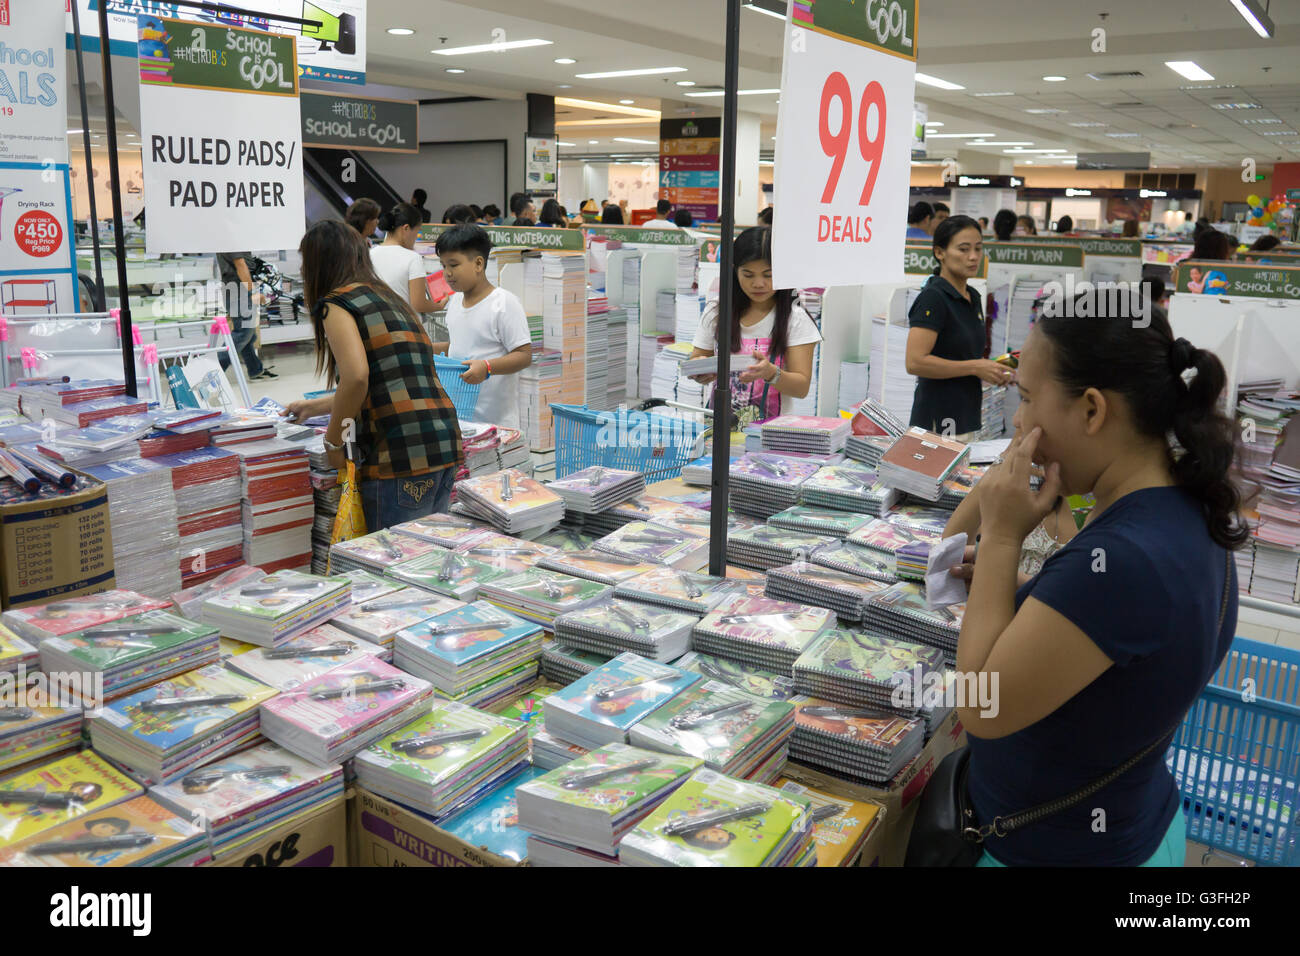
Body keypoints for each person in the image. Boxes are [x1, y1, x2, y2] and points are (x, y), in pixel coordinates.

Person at [953, 292, 1242, 867]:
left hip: (1059, 851)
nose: (1018, 419)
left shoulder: (1122, 558)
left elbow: (979, 706)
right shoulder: (1186, 505)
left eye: (1029, 397)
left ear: (1092, 410)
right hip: (1136, 824)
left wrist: (1002, 539)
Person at [285, 220, 463, 531]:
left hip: (398, 453)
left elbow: (356, 378)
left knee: (391, 569)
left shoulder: (337, 304)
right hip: (442, 441)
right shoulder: (390, 298)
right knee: (426, 565)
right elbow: (390, 377)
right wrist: (314, 407)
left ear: (318, 263)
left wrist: (333, 444)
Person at [687, 226, 822, 421]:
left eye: (768, 275)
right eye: (748, 275)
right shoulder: (717, 311)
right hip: (718, 428)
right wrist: (700, 370)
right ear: (735, 271)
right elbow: (698, 358)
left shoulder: (796, 318)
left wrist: (770, 373)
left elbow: (801, 388)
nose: (758, 284)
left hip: (769, 435)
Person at [904, 214, 1010, 440]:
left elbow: (963, 354)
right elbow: (915, 362)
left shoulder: (972, 296)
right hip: (938, 417)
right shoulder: (933, 298)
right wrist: (974, 367)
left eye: (978, 249)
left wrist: (992, 370)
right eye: (963, 249)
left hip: (965, 414)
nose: (973, 257)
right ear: (939, 253)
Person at [432, 224, 533, 429]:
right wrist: (427, 348)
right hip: (460, 417)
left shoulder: (503, 303)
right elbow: (461, 345)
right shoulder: (455, 302)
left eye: (453, 265)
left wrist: (487, 367)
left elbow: (524, 354)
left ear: (478, 264)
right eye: (443, 266)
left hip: (496, 424)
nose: (447, 273)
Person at [370, 203, 441, 313]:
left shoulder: (370, 254)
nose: (415, 239)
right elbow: (419, 305)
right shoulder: (413, 258)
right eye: (417, 232)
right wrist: (440, 306)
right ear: (406, 228)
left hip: (379, 322)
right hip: (406, 325)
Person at [215, 252, 271, 380]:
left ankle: (255, 369)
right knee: (243, 333)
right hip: (239, 290)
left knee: (248, 334)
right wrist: (252, 292)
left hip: (236, 288)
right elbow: (240, 264)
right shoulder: (233, 240)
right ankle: (212, 373)